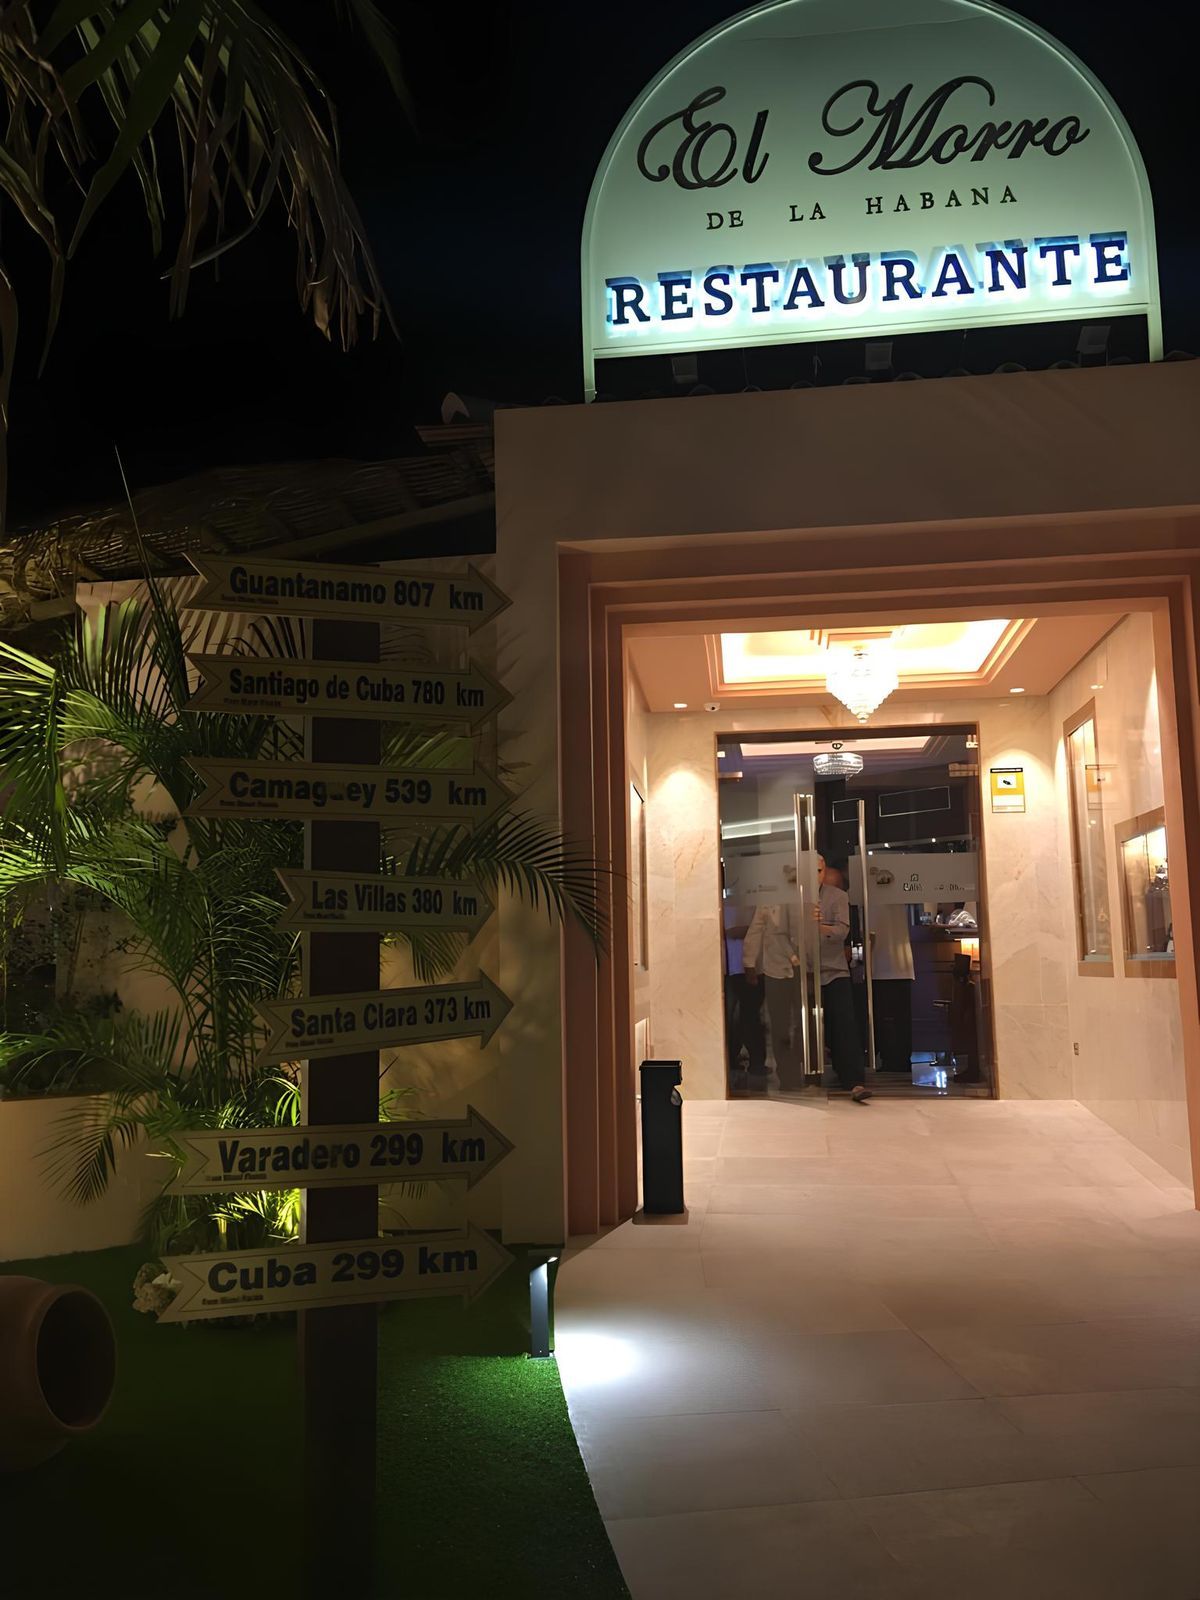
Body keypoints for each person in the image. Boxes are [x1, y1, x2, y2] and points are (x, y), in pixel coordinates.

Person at [743, 863, 805, 1088]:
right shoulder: (768, 901)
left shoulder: (804, 899)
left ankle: (802, 1067)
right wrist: (749, 963)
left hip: (804, 969)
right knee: (779, 1024)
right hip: (775, 969)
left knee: (803, 1023)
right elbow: (755, 930)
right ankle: (787, 1074)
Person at [814, 854, 870, 1103]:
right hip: (802, 969)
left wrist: (818, 927)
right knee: (806, 1027)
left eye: (819, 871)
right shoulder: (793, 898)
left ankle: (854, 1080)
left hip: (834, 968)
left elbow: (841, 930)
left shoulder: (837, 896)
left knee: (844, 1024)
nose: (816, 876)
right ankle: (804, 1079)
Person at [723, 899, 767, 1089]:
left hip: (752, 968)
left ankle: (756, 1063)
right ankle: (733, 1060)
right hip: (730, 969)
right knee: (733, 1018)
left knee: (750, 1017)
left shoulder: (755, 902)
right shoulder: (723, 903)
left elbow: (761, 929)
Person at [870, 900, 915, 1074]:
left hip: (882, 966)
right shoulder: (897, 898)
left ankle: (892, 1060)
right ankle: (900, 1060)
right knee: (899, 1019)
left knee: (886, 1019)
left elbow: (870, 936)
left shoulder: (872, 900)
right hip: (899, 965)